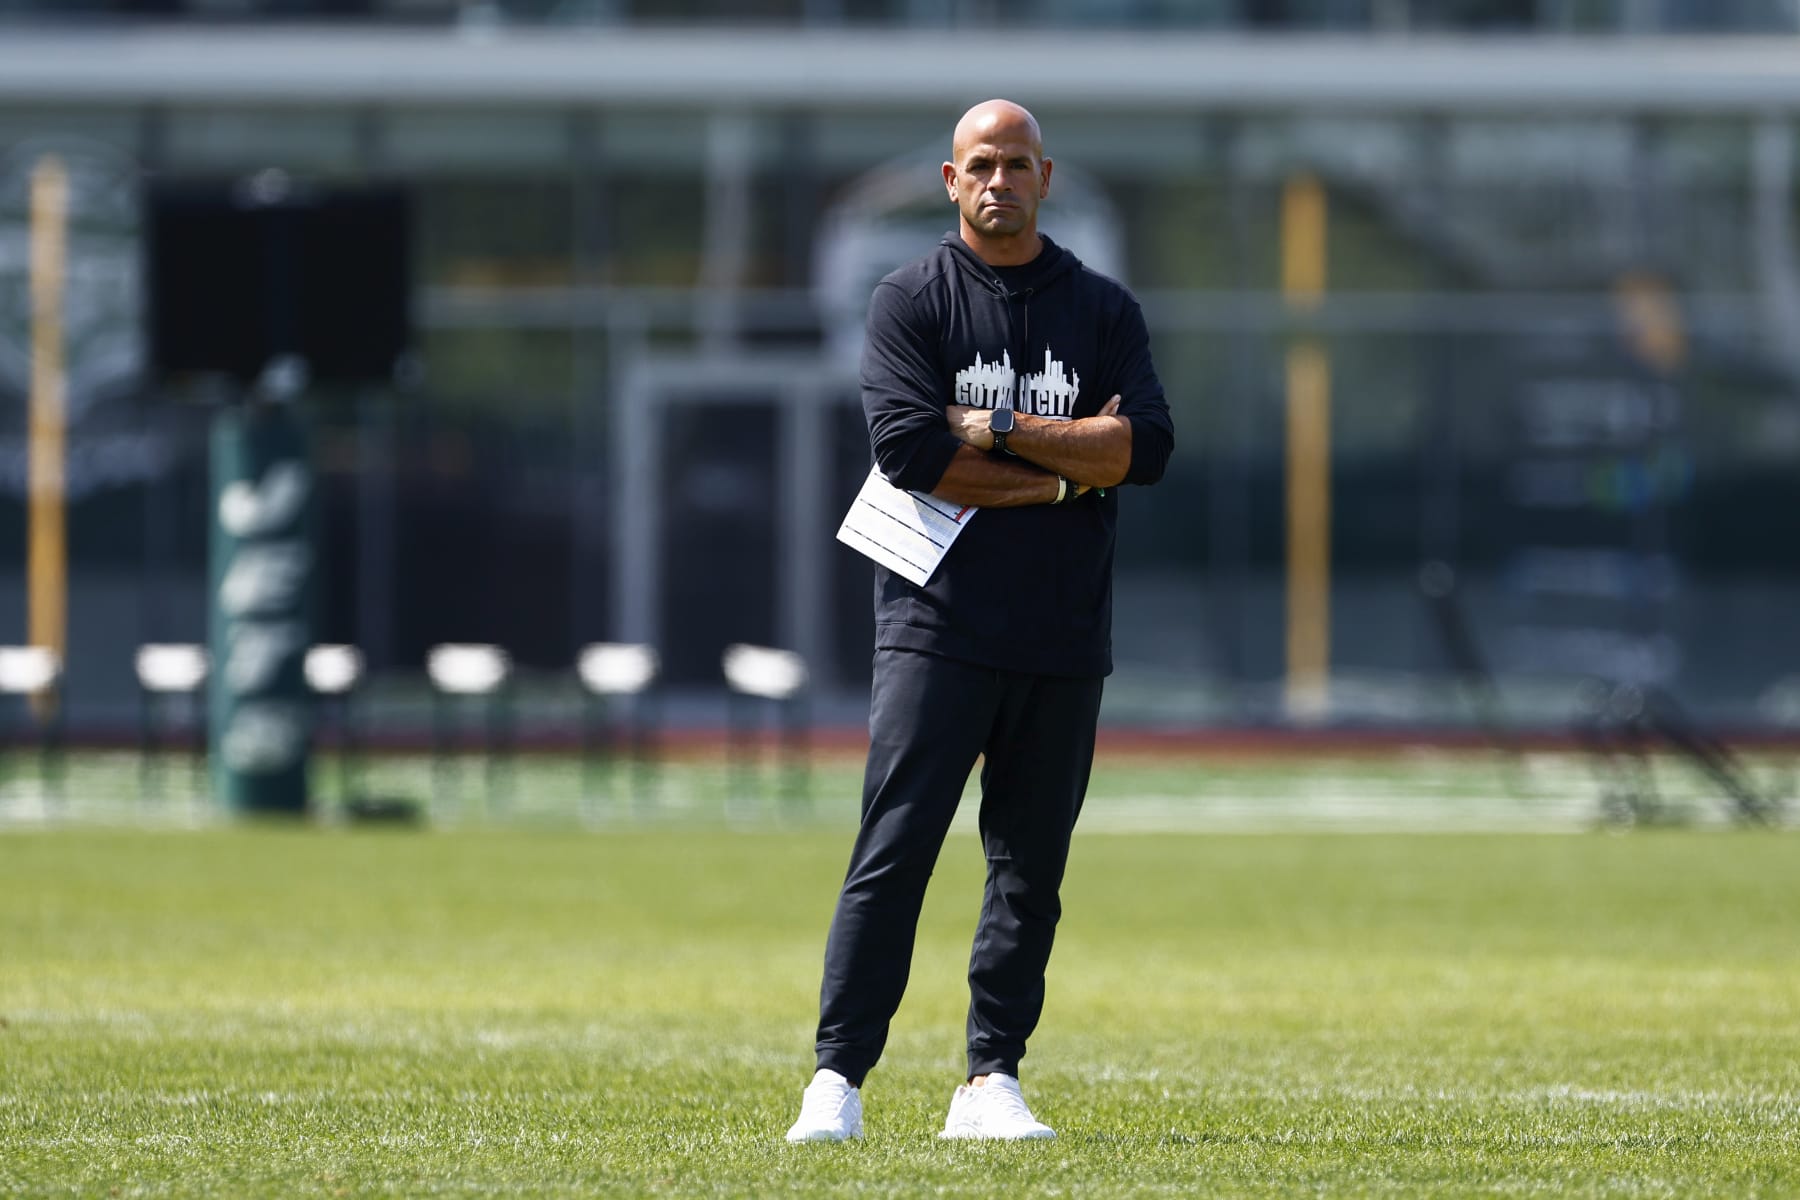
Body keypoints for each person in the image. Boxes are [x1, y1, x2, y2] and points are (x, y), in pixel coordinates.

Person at [784, 99, 1175, 1143]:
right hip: (935, 625)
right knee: (895, 848)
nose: (998, 181)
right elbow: (910, 453)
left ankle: (990, 1080)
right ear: (951, 184)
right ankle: (838, 1079)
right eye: (978, 166)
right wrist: (1060, 479)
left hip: (1059, 633)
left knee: (1028, 867)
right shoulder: (907, 300)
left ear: (1046, 177)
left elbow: (1143, 450)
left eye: (1016, 164)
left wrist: (1000, 426)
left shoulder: (1102, 311)